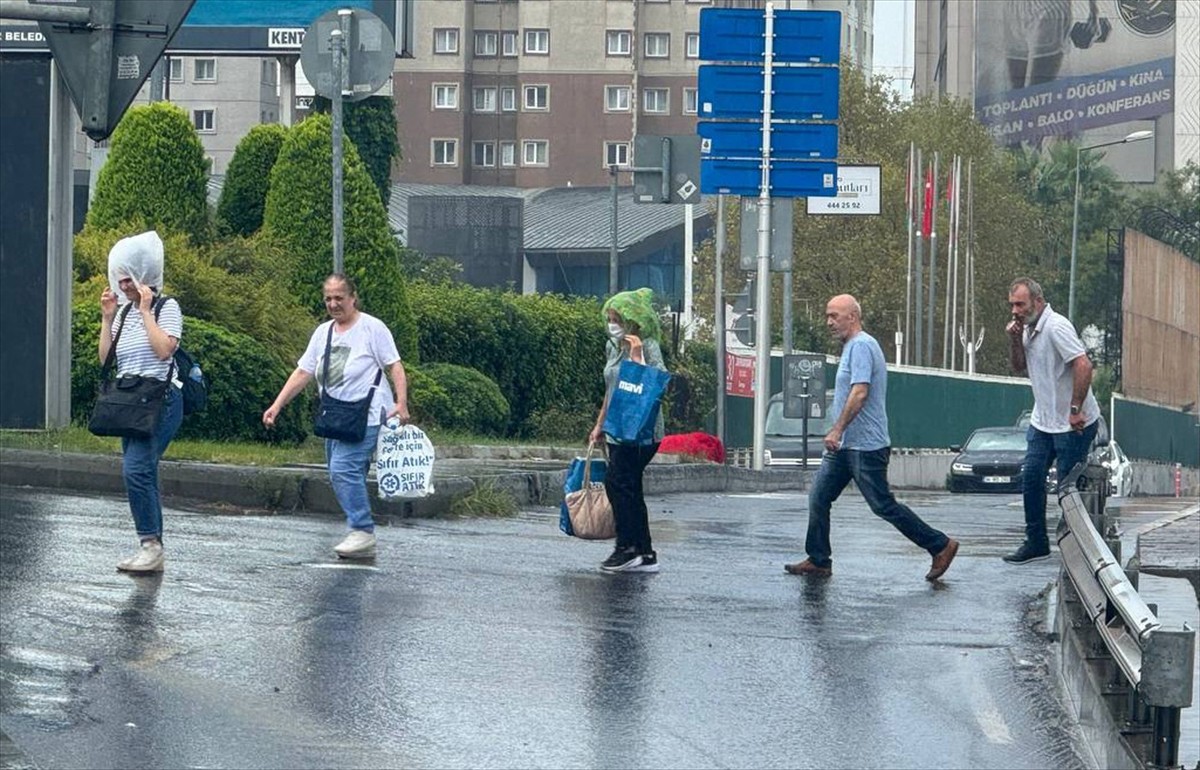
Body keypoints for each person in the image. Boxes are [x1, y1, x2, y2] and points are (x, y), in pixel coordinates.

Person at [785, 294, 959, 581]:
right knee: (818, 497)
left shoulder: (862, 346)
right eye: (827, 316)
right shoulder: (852, 348)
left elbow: (860, 392)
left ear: (852, 316)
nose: (829, 322)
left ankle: (940, 545)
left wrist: (837, 429)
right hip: (845, 447)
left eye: (835, 316)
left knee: (882, 505)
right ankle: (818, 559)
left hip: (865, 446)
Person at [263, 273, 410, 558]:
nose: (333, 304)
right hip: (335, 415)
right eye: (328, 298)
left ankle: (362, 530)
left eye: (339, 298)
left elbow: (395, 366)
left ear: (353, 298)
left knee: (343, 470)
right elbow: (304, 371)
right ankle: (360, 529)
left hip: (366, 414)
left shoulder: (372, 328)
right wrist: (277, 405)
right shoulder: (324, 332)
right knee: (339, 471)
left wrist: (401, 403)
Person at [100, 231, 184, 574]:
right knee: (141, 470)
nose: (123, 281)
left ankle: (151, 545)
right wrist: (108, 318)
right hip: (130, 399)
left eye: (128, 274)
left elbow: (164, 350)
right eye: (119, 275)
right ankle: (151, 546)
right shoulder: (122, 314)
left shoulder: (167, 306)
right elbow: (106, 359)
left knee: (136, 468)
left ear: (145, 275)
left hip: (161, 399)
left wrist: (147, 311)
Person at [1003, 278, 1100, 564]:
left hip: (1073, 423)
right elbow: (1019, 367)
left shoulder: (1056, 326)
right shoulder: (1026, 330)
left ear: (1038, 301)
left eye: (1020, 304)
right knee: (1031, 478)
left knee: (1067, 489)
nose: (1015, 311)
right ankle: (1036, 541)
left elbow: (1083, 364)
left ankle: (1078, 546)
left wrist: (1075, 408)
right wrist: (1013, 339)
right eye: (1012, 305)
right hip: (1043, 421)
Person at [588, 288, 668, 573]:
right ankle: (644, 552)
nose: (613, 323)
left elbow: (656, 383)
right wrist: (599, 424)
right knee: (628, 486)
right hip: (616, 427)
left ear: (632, 320)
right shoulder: (612, 346)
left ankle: (628, 547)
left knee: (618, 482)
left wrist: (637, 357)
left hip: (642, 432)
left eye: (617, 318)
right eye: (610, 318)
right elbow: (610, 389)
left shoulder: (647, 344)